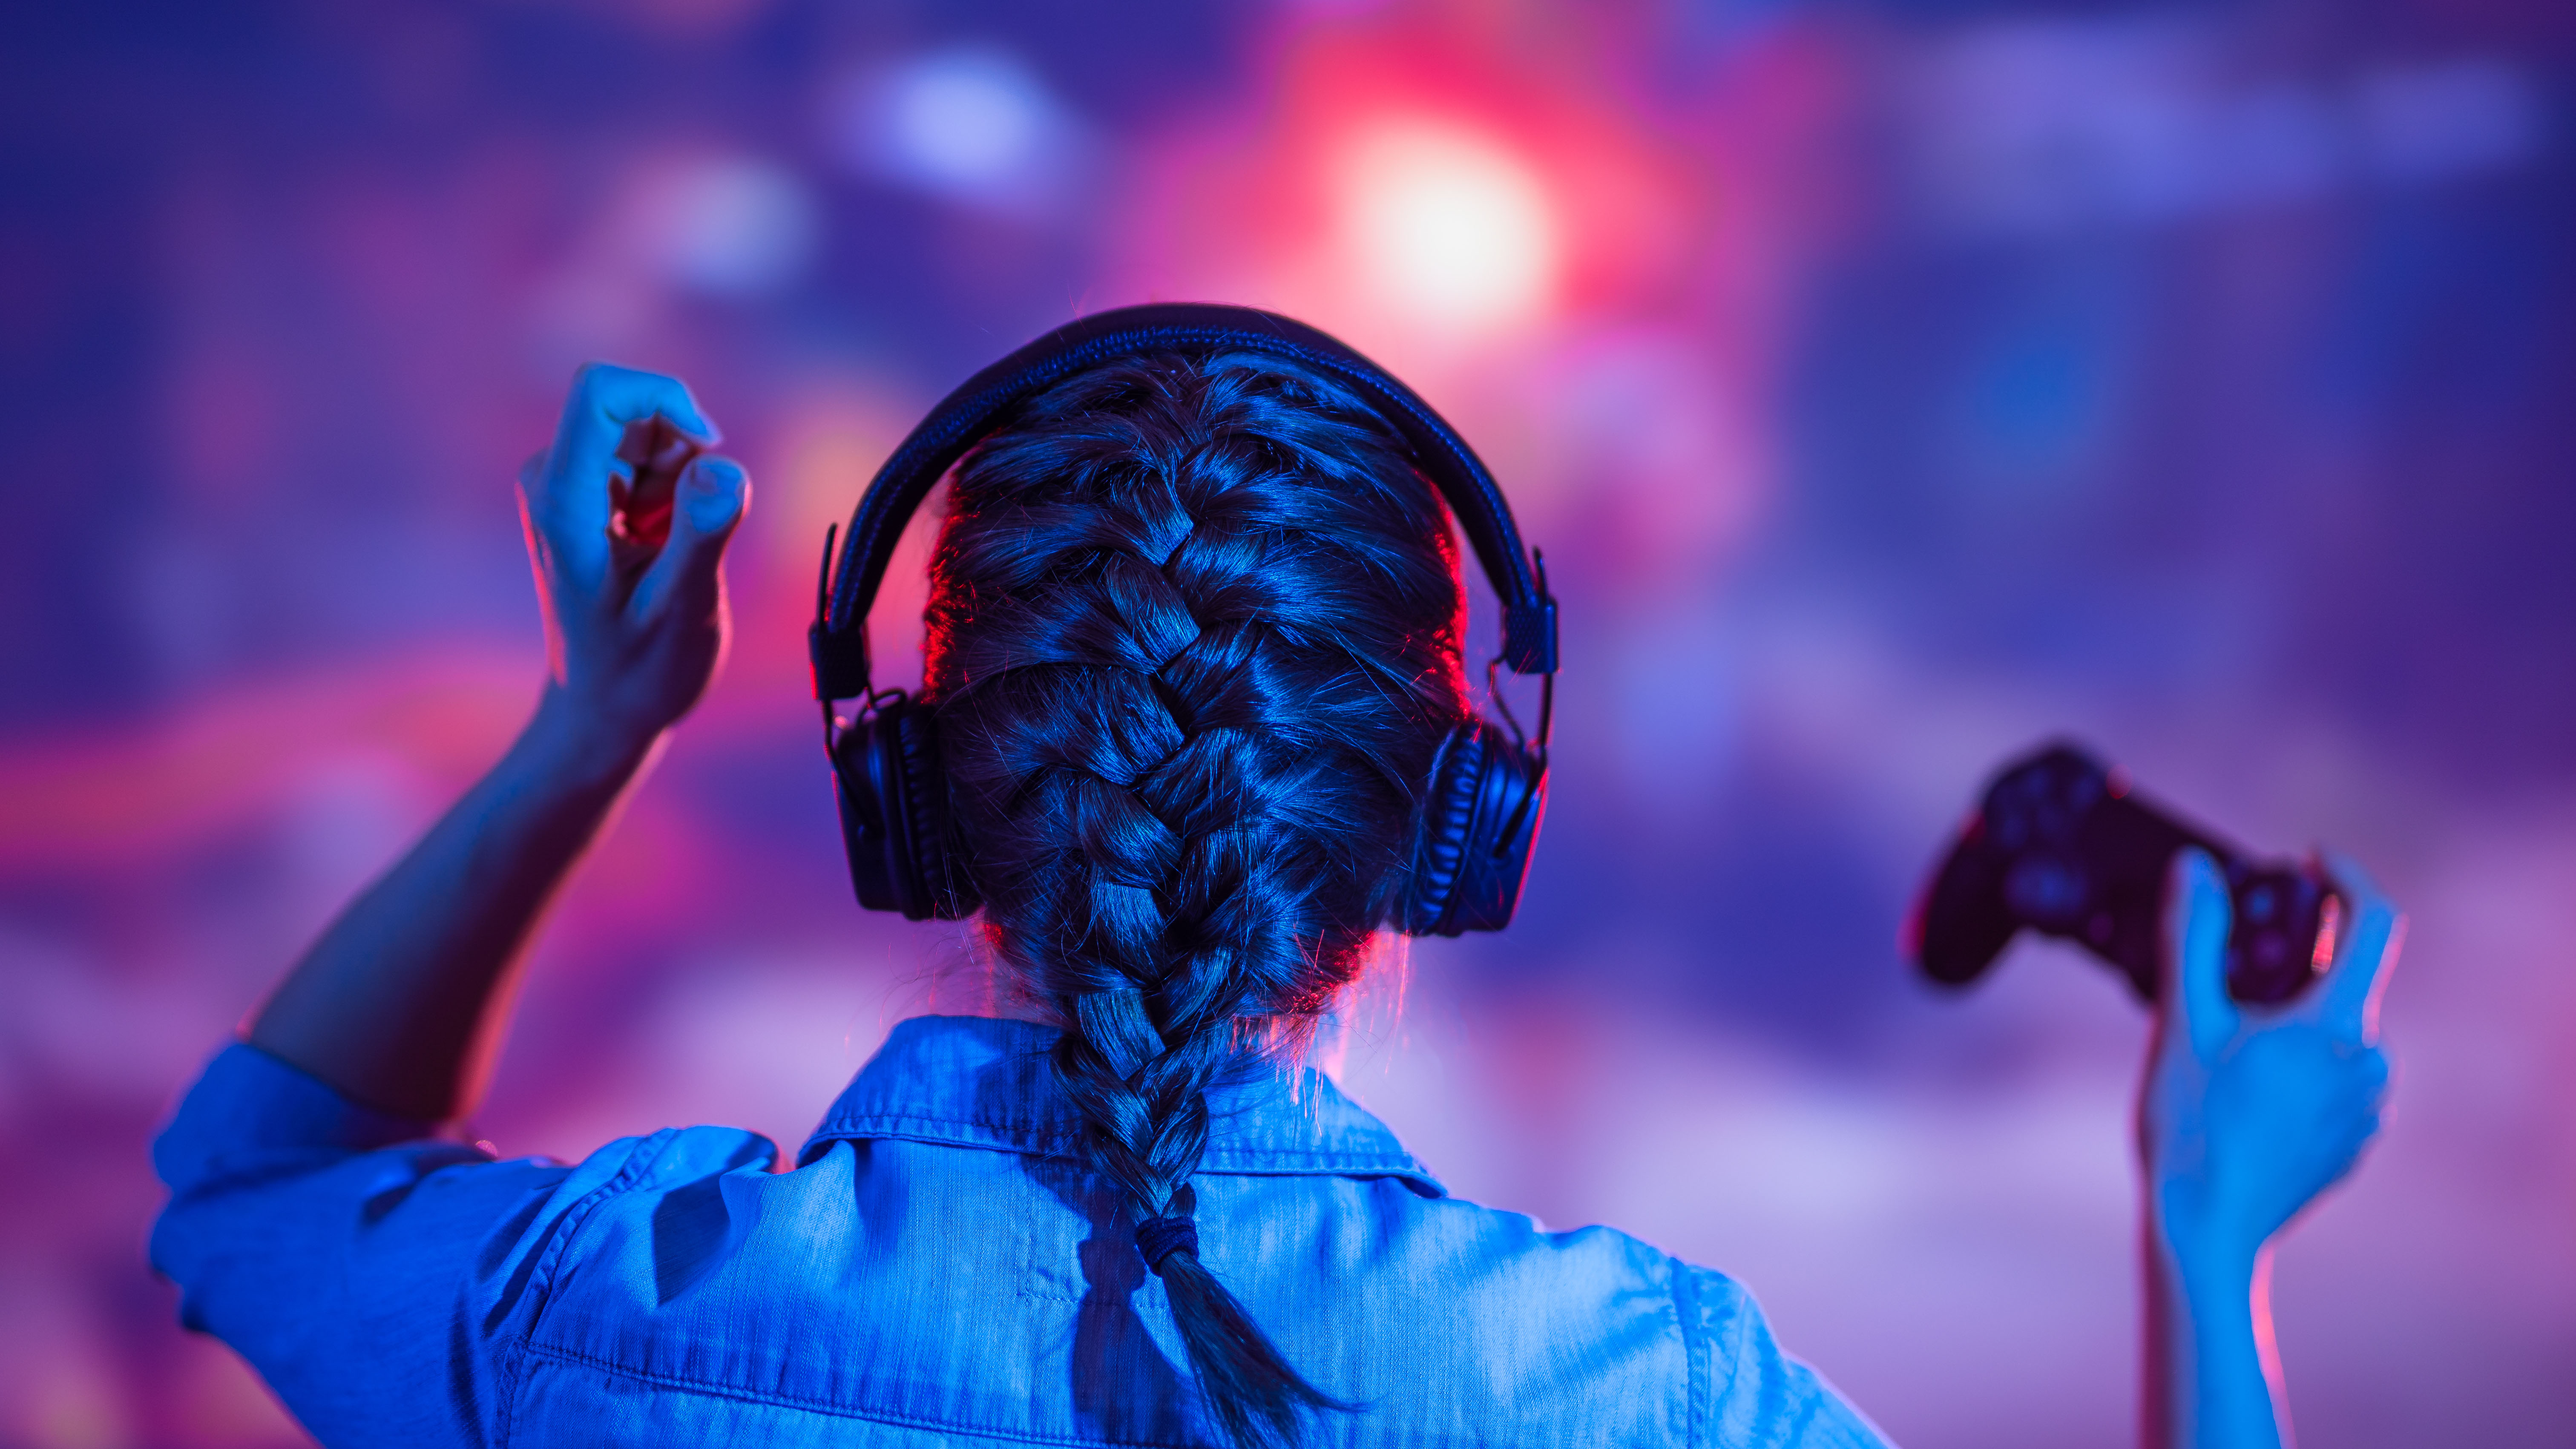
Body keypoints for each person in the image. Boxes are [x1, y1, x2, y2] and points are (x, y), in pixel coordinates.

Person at [151, 342, 2400, 1449]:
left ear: (912, 802)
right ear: (1454, 831)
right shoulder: (1644, 1392)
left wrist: (591, 727)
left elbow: (263, 1183)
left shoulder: (585, 1310)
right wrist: (2204, 1238)